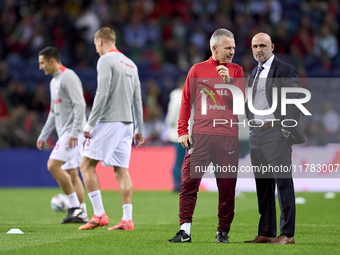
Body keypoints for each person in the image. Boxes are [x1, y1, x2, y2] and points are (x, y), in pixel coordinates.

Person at [167, 28, 245, 243]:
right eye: (228, 48)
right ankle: (185, 231)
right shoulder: (197, 70)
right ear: (214, 48)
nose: (232, 52)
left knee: (227, 187)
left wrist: (229, 82)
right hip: (200, 137)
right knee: (189, 184)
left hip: (227, 136)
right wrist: (182, 131)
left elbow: (240, 106)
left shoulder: (237, 71)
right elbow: (185, 101)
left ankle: (223, 232)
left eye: (234, 48)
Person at [78, 27, 144, 231]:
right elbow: (137, 98)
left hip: (109, 121)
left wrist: (90, 123)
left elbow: (102, 93)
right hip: (127, 124)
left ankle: (98, 214)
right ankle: (127, 219)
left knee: (86, 165)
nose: (96, 49)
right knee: (121, 170)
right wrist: (139, 128)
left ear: (100, 41)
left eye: (95, 45)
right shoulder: (131, 64)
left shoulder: (105, 60)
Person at [244, 33, 305, 244]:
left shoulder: (285, 69)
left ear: (272, 46)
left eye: (262, 45)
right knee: (263, 186)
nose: (258, 49)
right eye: (254, 46)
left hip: (276, 132)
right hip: (257, 134)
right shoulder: (255, 71)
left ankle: (287, 234)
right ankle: (267, 232)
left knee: (283, 183)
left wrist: (286, 130)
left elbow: (296, 99)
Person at [37, 46, 88, 224]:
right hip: (66, 132)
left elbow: (80, 105)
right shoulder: (54, 81)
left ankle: (74, 206)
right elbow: (53, 111)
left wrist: (75, 132)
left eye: (42, 63)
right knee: (71, 172)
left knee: (53, 165)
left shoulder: (69, 77)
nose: (40, 67)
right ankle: (82, 213)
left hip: (73, 132)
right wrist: (44, 134)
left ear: (52, 61)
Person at [165, 76, 186, 192]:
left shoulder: (178, 95)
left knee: (180, 160)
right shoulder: (178, 95)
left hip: (179, 133)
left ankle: (179, 184)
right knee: (179, 160)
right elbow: (172, 114)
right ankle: (177, 184)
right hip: (180, 133)